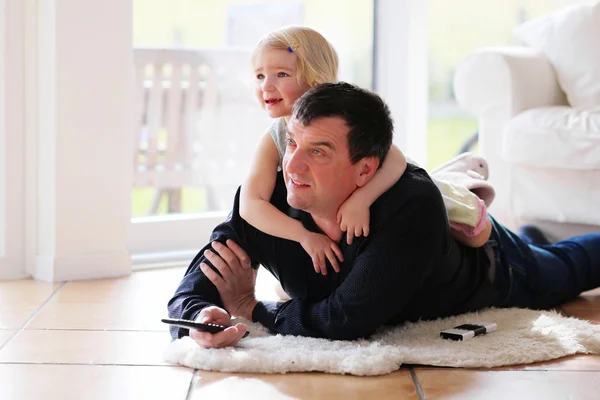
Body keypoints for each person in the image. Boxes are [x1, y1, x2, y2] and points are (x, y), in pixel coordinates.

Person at [167, 82, 600, 349]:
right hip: (437, 249)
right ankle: (533, 234)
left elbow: (346, 320)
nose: (292, 166)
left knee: (571, 266)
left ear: (365, 171)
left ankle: (532, 243)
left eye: (318, 152)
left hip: (495, 270)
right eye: (293, 144)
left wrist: (248, 309)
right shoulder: (265, 200)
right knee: (543, 245)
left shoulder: (409, 205)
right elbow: (192, 287)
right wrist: (198, 317)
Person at [240, 26, 407, 276]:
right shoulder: (274, 136)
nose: (267, 86)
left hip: (385, 213)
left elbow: (396, 160)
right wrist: (304, 237)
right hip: (324, 224)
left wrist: (361, 200)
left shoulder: (347, 118)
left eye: (281, 74)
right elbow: (250, 205)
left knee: (453, 216)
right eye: (260, 76)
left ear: (316, 80)